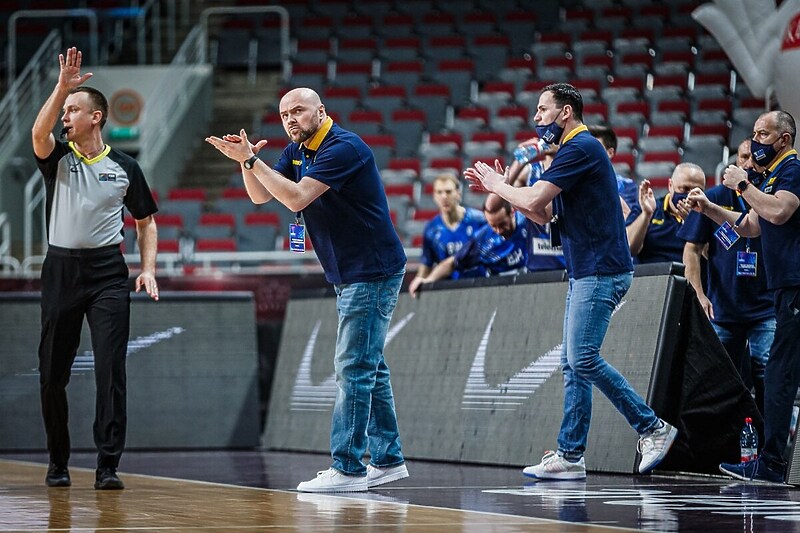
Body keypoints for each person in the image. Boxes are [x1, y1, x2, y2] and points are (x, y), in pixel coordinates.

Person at [464, 82, 678, 480]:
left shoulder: (581, 147)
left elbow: (531, 202)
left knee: (582, 358)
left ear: (565, 113)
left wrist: (500, 186)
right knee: (572, 365)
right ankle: (571, 455)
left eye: (542, 110)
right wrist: (507, 191)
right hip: (586, 270)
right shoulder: (566, 154)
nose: (536, 118)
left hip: (602, 270)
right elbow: (542, 215)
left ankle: (653, 427)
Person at [206, 87, 408, 493]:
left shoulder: (342, 147)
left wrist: (251, 159)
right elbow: (261, 195)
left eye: (298, 110)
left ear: (321, 111)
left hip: (371, 269)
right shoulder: (297, 150)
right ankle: (388, 460)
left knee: (352, 366)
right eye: (284, 114)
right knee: (370, 365)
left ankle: (348, 468)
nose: (290, 119)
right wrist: (247, 163)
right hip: (348, 271)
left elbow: (296, 196)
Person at [32, 47, 159, 490]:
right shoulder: (57, 159)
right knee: (52, 374)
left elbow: (146, 222)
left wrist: (147, 268)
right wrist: (60, 88)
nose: (65, 115)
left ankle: (107, 465)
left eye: (73, 109)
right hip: (61, 270)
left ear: (96, 117)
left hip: (107, 273)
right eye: (63, 110)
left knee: (110, 368)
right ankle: (58, 460)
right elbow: (37, 133)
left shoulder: (125, 167)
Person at [686, 110, 800, 484]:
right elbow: (751, 226)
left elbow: (780, 212)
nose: (756, 141)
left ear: (783, 139)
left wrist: (740, 187)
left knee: (780, 375)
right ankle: (768, 462)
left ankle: (771, 464)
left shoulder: (792, 169)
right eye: (753, 133)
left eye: (763, 134)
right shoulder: (768, 179)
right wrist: (712, 209)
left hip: (795, 285)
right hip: (783, 288)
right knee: (780, 374)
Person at [678, 139, 775, 418]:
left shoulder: (770, 196)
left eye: (753, 157)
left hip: (765, 308)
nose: (747, 162)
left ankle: (769, 445)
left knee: (766, 372)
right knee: (717, 376)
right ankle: (725, 442)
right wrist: (698, 293)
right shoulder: (715, 196)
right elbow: (692, 250)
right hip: (723, 308)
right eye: (742, 156)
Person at [408, 193, 528, 297]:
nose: (499, 230)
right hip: (502, 290)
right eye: (493, 226)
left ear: (512, 212)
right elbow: (452, 263)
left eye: (502, 224)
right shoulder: (483, 240)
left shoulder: (530, 222)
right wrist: (428, 280)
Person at [414, 173, 487, 284]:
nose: (444, 197)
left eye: (448, 192)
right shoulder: (431, 229)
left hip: (480, 284)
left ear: (458, 194)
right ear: (434, 196)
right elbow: (426, 265)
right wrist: (418, 281)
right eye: (439, 192)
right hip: (449, 290)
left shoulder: (479, 220)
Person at [627, 163, 706, 263]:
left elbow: (718, 255)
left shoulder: (712, 213)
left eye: (697, 191)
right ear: (670, 185)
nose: (689, 195)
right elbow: (628, 248)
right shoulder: (647, 207)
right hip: (653, 274)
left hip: (689, 274)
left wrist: (693, 223)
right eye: (685, 189)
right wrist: (646, 215)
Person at [508, 145, 567, 272]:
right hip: (538, 260)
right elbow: (506, 196)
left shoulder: (573, 169)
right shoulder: (529, 171)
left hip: (569, 259)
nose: (549, 139)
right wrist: (520, 158)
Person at [587, 124, 641, 224]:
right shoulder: (573, 182)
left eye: (595, 148)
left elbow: (629, 222)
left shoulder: (627, 186)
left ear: (610, 153)